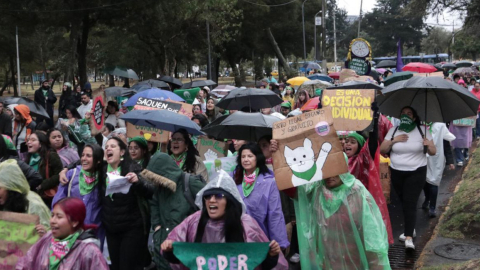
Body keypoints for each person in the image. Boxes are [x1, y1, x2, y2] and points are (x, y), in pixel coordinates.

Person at [161, 170, 288, 270]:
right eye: (207, 196)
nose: (211, 200)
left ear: (230, 201)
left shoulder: (246, 224)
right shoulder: (194, 221)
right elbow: (183, 259)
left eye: (218, 196)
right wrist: (169, 251)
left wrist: (271, 255)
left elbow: (259, 264)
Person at [293, 167, 391, 269]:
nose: (329, 176)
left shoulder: (356, 190)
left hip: (353, 255)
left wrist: (375, 263)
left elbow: (371, 233)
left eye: (334, 171)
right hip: (328, 257)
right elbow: (295, 190)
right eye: (325, 171)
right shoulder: (317, 190)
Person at [380, 106, 436, 250]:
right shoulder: (394, 130)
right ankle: (411, 228)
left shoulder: (422, 130)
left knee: (410, 202)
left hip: (416, 172)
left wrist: (428, 145)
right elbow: (382, 149)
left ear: (414, 117)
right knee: (403, 202)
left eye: (409, 113)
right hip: (397, 172)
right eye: (403, 113)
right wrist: (394, 140)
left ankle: (409, 237)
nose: (405, 115)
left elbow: (433, 151)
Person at [142, 152, 206, 270]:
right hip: (164, 243)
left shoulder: (189, 182)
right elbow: (154, 205)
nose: (155, 181)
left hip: (187, 243)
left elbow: (209, 201)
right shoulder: (159, 187)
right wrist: (157, 227)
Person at [101, 137, 154, 270]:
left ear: (122, 152)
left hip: (131, 228)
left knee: (128, 266)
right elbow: (83, 161)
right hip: (111, 228)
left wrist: (137, 182)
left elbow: (150, 190)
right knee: (115, 266)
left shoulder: (133, 167)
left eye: (113, 146)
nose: (108, 149)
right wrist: (66, 169)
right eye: (106, 147)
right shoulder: (101, 169)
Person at [17, 197, 109, 270]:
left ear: (75, 222)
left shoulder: (89, 251)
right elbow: (25, 264)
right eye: (52, 215)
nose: (52, 221)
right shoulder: (46, 240)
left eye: (59, 217)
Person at [232, 143, 289, 249]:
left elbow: (275, 214)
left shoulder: (269, 182)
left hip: (261, 235)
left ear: (257, 158)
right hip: (238, 236)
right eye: (243, 156)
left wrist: (279, 242)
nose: (246, 159)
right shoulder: (233, 178)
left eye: (250, 156)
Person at [53, 144, 104, 240]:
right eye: (83, 155)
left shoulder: (103, 177)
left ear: (98, 160)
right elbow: (58, 202)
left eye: (88, 156)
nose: (84, 158)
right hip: (72, 230)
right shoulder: (71, 175)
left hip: (95, 232)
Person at [0, 159, 50, 229]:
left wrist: (43, 232)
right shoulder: (6, 203)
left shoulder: (33, 204)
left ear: (11, 187)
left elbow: (50, 233)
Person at [424, 123, 455, 217]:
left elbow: (445, 143)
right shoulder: (419, 124)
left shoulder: (440, 125)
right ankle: (427, 199)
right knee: (424, 182)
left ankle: (432, 207)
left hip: (436, 159)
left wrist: (450, 161)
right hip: (421, 158)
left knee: (434, 181)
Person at [26, 131, 63, 199]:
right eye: (28, 140)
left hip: (46, 196)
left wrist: (41, 185)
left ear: (41, 144)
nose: (28, 142)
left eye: (33, 140)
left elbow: (59, 174)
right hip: (31, 196)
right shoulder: (28, 158)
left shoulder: (51, 156)